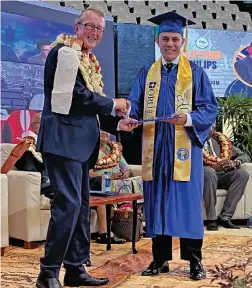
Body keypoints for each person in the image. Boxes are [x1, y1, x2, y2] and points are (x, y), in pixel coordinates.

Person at [35, 8, 138, 288]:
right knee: (68, 206)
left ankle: (75, 269)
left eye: (99, 29)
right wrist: (113, 104)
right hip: (63, 141)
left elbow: (87, 107)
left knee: (79, 207)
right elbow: (74, 97)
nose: (94, 32)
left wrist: (117, 124)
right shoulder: (64, 53)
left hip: (80, 145)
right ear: (76, 27)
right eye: (89, 26)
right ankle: (48, 273)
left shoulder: (84, 58)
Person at [128, 12, 218, 280]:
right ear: (158, 41)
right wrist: (129, 115)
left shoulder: (196, 73)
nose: (170, 44)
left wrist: (189, 118)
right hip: (155, 148)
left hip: (184, 148)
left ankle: (195, 262)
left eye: (175, 39)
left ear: (183, 41)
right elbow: (135, 102)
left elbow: (210, 108)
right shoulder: (147, 72)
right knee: (157, 203)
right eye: (165, 38)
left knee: (187, 204)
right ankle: (159, 260)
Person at [203, 125, 250, 231]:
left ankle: (225, 216)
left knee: (242, 174)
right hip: (205, 176)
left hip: (223, 175)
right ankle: (211, 219)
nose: (207, 130)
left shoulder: (220, 141)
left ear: (214, 130)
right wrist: (213, 167)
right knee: (209, 172)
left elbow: (244, 155)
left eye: (210, 128)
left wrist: (235, 162)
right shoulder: (193, 142)